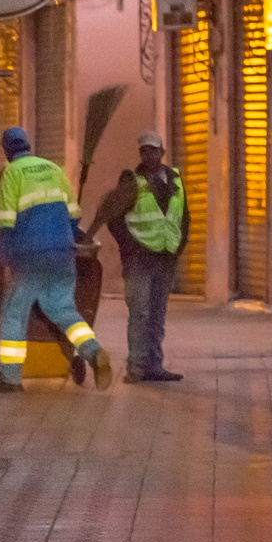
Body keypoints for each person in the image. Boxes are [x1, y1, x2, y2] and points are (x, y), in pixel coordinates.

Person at [0, 127, 113, 393]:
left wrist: (8, 260)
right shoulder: (53, 169)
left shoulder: (11, 173)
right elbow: (74, 216)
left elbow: (5, 224)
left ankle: (10, 378)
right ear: (28, 145)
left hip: (30, 256)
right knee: (63, 311)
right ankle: (93, 351)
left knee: (13, 314)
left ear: (7, 151)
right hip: (63, 253)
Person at [86, 130, 189, 383]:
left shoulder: (175, 178)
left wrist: (178, 247)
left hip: (165, 258)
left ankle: (154, 366)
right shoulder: (131, 181)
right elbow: (113, 218)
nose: (148, 155)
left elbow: (184, 217)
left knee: (157, 314)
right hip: (139, 261)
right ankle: (136, 367)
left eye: (153, 150)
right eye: (144, 151)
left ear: (162, 153)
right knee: (140, 313)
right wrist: (130, 246)